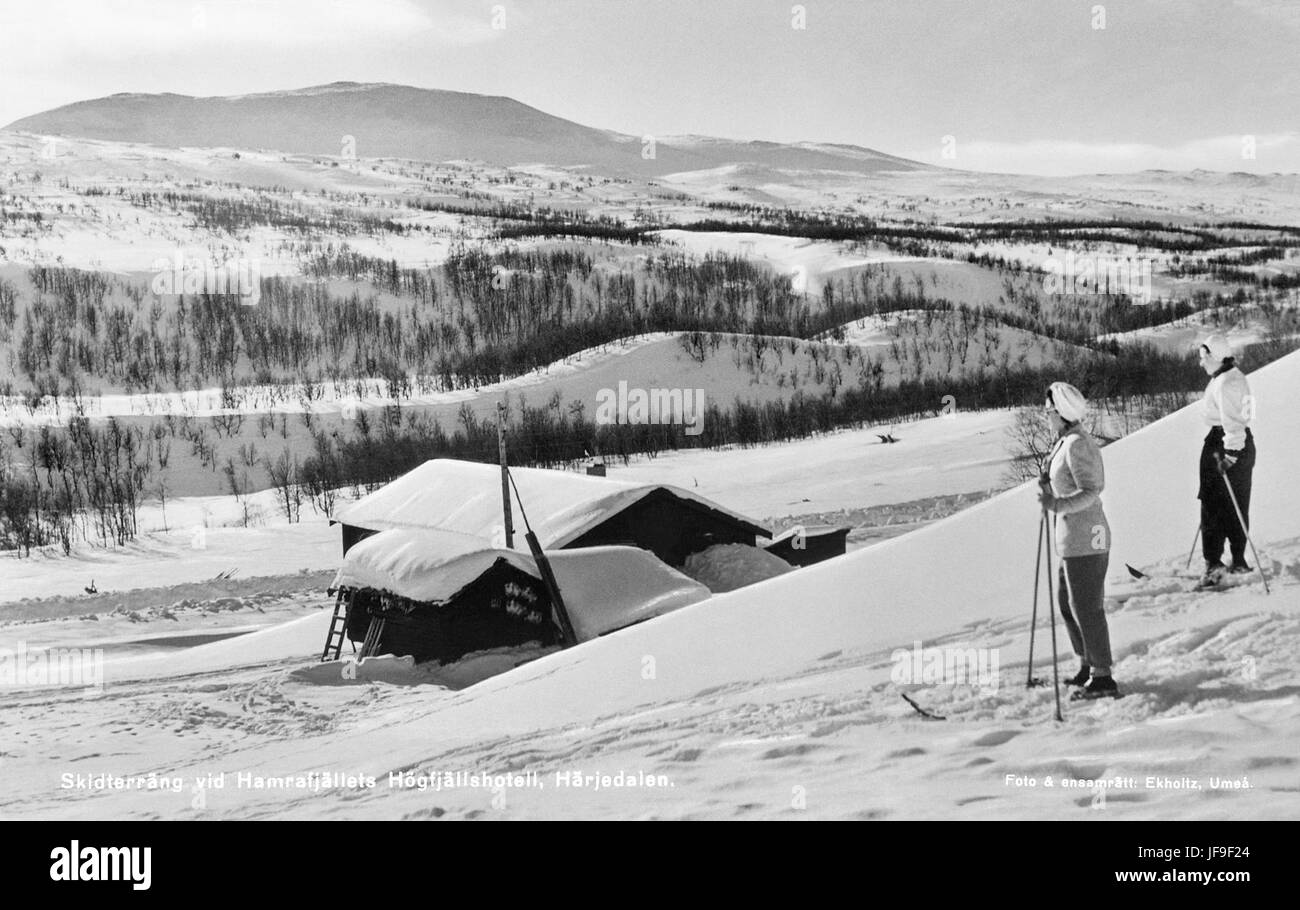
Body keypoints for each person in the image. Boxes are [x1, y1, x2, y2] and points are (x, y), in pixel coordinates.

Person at [1037, 382, 1118, 700]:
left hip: (1087, 536)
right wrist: (1049, 487)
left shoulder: (1077, 444)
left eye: (1048, 410)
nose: (1046, 416)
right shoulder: (1065, 442)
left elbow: (1091, 490)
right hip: (1072, 537)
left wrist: (1057, 504)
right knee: (1067, 603)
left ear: (1060, 412)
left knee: (1086, 606)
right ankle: (1087, 664)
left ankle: (1103, 676)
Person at [1195, 334, 1256, 588]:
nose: (1201, 363)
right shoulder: (1233, 376)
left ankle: (1214, 566)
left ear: (1216, 356)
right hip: (1237, 443)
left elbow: (1234, 424)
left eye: (1204, 357)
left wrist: (1229, 457)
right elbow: (1247, 416)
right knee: (1236, 503)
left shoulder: (1226, 384)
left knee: (1212, 504)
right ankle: (1238, 559)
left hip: (1226, 445)